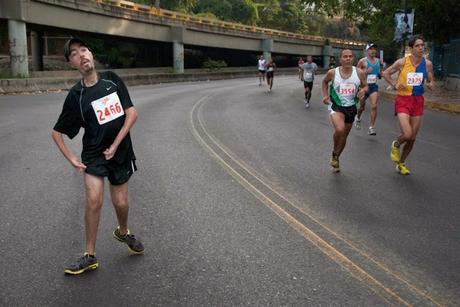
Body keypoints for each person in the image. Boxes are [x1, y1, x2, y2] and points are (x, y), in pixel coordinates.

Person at [52, 37, 144, 275]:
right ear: (72, 64)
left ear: (91, 54)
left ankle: (122, 232)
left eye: (83, 49)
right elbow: (57, 133)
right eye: (74, 54)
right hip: (93, 155)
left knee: (121, 203)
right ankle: (89, 255)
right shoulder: (76, 96)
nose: (81, 55)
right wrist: (72, 158)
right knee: (94, 200)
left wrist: (114, 145)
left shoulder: (112, 80)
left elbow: (132, 114)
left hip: (120, 151)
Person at [382, 35, 433, 175]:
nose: (421, 48)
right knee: (407, 134)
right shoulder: (402, 62)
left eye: (422, 45)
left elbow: (429, 76)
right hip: (403, 100)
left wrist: (431, 83)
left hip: (418, 101)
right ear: (411, 48)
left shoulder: (427, 63)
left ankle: (401, 163)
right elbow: (385, 73)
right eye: (417, 46)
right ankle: (396, 144)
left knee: (412, 139)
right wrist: (395, 84)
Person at [322, 49, 367, 172]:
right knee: (340, 129)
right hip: (336, 105)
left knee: (344, 137)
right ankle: (335, 152)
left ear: (353, 59)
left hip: (351, 107)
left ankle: (335, 155)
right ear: (340, 59)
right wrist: (326, 96)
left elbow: (365, 85)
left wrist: (363, 90)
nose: (348, 58)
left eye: (350, 56)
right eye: (345, 56)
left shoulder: (359, 73)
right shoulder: (332, 72)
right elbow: (324, 82)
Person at [355, 42, 381, 135]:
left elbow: (379, 72)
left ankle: (371, 127)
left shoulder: (378, 61)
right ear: (367, 50)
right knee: (361, 108)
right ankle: (358, 118)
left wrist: (380, 73)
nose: (373, 50)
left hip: (373, 86)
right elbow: (356, 73)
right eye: (371, 49)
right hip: (363, 87)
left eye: (374, 49)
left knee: (374, 106)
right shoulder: (362, 61)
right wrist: (365, 72)